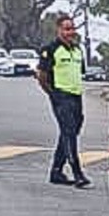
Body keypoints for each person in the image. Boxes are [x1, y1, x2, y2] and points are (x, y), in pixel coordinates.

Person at [35, 14, 90, 188]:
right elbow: (41, 75)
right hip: (61, 96)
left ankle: (56, 171)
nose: (70, 32)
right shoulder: (50, 49)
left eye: (72, 28)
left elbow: (79, 72)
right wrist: (52, 93)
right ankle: (77, 173)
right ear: (58, 30)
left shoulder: (77, 50)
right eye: (66, 29)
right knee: (69, 132)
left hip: (76, 96)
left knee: (70, 133)